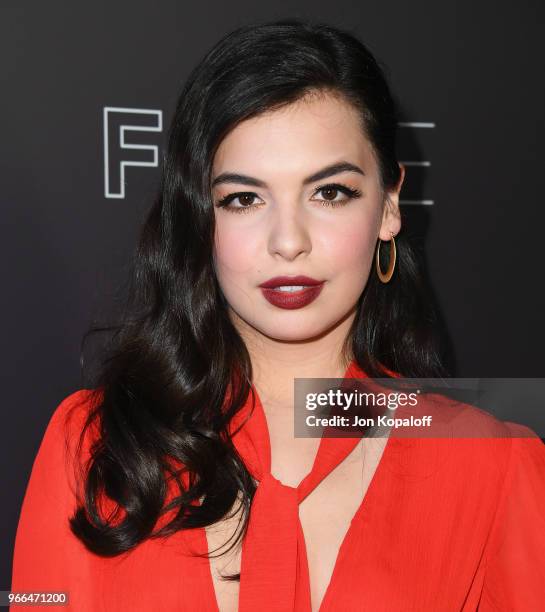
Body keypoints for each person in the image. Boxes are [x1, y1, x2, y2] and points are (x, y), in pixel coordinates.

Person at [10, 18, 545, 612]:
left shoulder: (491, 465)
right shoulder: (94, 448)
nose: (288, 241)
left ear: (390, 205)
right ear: (200, 219)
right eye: (244, 199)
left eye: (330, 192)